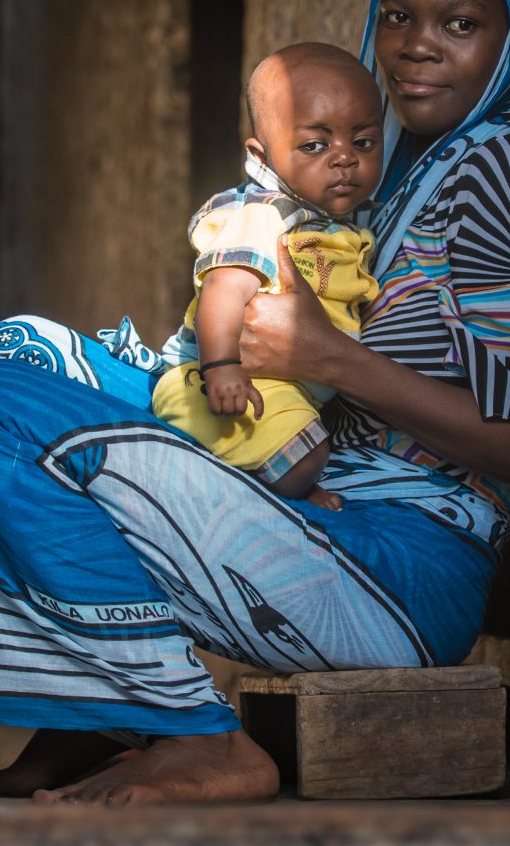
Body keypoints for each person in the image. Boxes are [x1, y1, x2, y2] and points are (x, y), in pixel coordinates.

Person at [0, 0, 510, 806]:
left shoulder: (501, 173)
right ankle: (94, 727)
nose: (416, 45)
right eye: (398, 15)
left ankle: (200, 738)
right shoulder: (394, 170)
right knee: (17, 358)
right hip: (320, 516)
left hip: (397, 568)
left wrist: (328, 355)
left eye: (461, 23)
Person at [150, 43, 385, 510]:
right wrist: (222, 368)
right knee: (308, 455)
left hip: (282, 384)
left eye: (362, 142)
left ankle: (272, 484)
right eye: (314, 145)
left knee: (308, 448)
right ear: (262, 154)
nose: (344, 159)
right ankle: (272, 491)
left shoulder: (337, 225)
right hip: (216, 383)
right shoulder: (261, 216)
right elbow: (223, 289)